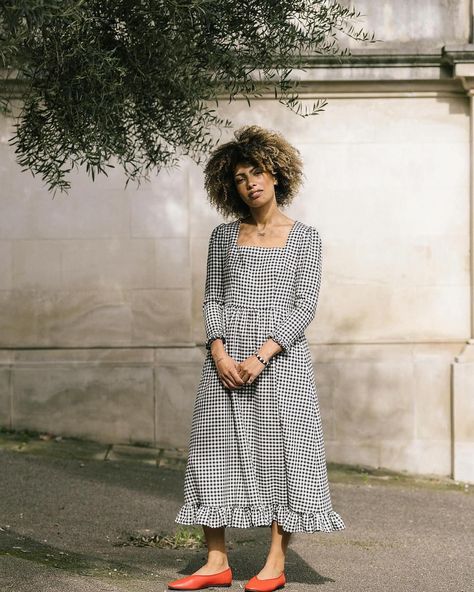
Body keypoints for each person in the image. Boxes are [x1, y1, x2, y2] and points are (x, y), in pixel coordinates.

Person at [168, 125, 345, 592]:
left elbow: (304, 303)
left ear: (277, 175)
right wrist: (219, 349)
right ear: (232, 187)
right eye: (242, 177)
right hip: (224, 364)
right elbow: (213, 300)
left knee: (286, 456)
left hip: (281, 364)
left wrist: (263, 355)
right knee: (212, 454)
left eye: (258, 172)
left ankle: (273, 563)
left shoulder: (305, 237)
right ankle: (215, 562)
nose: (251, 183)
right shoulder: (223, 237)